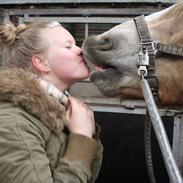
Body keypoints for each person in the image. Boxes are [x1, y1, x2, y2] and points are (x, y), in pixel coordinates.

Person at [0, 21, 103, 183]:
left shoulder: (61, 111)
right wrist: (81, 137)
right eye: (69, 46)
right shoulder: (13, 123)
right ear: (41, 63)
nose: (81, 51)